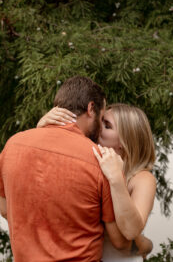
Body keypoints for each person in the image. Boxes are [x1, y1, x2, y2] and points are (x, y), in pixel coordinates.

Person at [0, 76, 133, 262]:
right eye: (101, 118)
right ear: (90, 108)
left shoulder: (12, 145)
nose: (101, 129)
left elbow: (5, 209)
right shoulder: (101, 160)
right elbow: (120, 241)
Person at [37, 103, 157, 261]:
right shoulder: (89, 160)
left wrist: (116, 179)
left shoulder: (142, 179)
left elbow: (130, 231)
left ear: (125, 140)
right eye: (101, 121)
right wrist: (43, 129)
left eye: (107, 125)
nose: (98, 127)